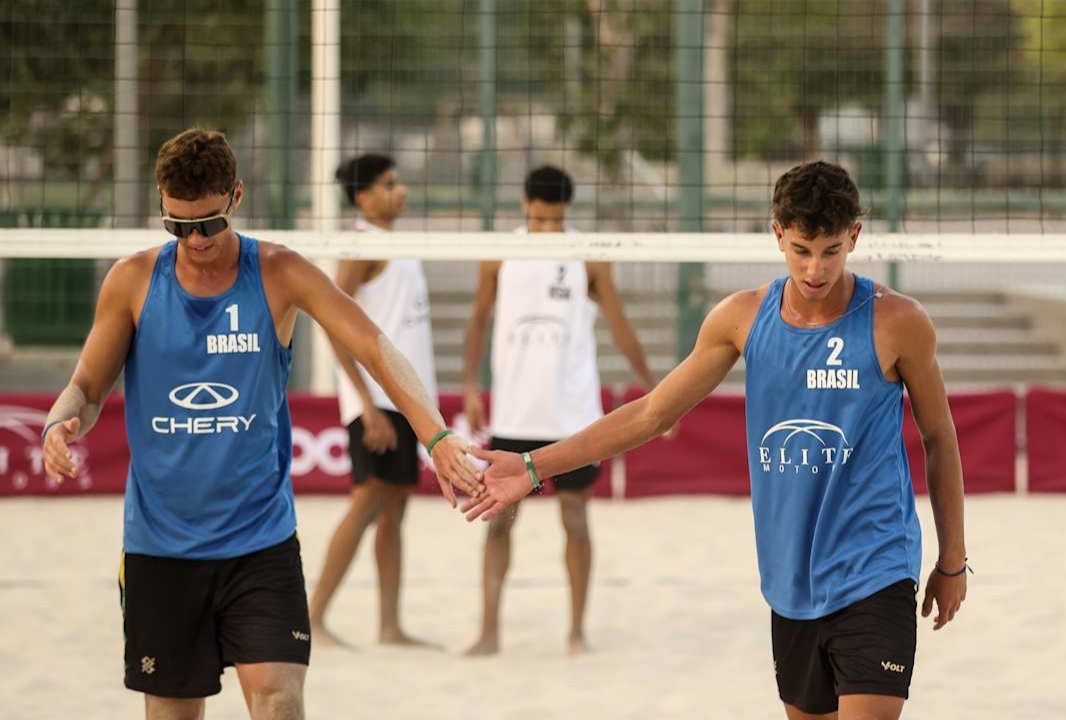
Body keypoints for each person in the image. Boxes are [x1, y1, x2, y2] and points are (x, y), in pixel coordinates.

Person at [467, 161, 968, 720]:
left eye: (830, 250)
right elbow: (653, 413)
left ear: (855, 235)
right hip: (790, 578)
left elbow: (939, 436)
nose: (815, 268)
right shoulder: (741, 317)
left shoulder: (897, 321)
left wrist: (952, 560)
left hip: (877, 566)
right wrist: (534, 466)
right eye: (802, 249)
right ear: (777, 233)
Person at [39, 129, 481, 720]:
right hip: (161, 547)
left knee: (278, 698)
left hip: (260, 542)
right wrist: (60, 421)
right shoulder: (132, 280)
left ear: (236, 197)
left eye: (208, 224)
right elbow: (88, 388)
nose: (194, 240)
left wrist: (437, 434)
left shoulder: (278, 272)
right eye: (177, 226)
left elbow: (377, 349)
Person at [461, 165, 661, 656]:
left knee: (575, 520)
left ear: (567, 212)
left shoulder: (587, 256)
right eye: (541, 218)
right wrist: (469, 384)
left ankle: (576, 631)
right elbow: (478, 322)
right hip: (514, 413)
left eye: (556, 220)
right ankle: (488, 632)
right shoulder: (499, 254)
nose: (548, 228)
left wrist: (655, 390)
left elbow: (619, 325)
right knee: (500, 521)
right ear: (525, 206)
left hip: (572, 416)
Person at [308, 154, 440, 648]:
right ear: (363, 197)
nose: (400, 190)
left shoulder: (399, 244)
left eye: (399, 182)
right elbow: (332, 322)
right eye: (389, 184)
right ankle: (314, 617)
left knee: (393, 511)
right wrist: (365, 403)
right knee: (367, 502)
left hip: (407, 400)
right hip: (379, 401)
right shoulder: (361, 246)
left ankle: (390, 626)